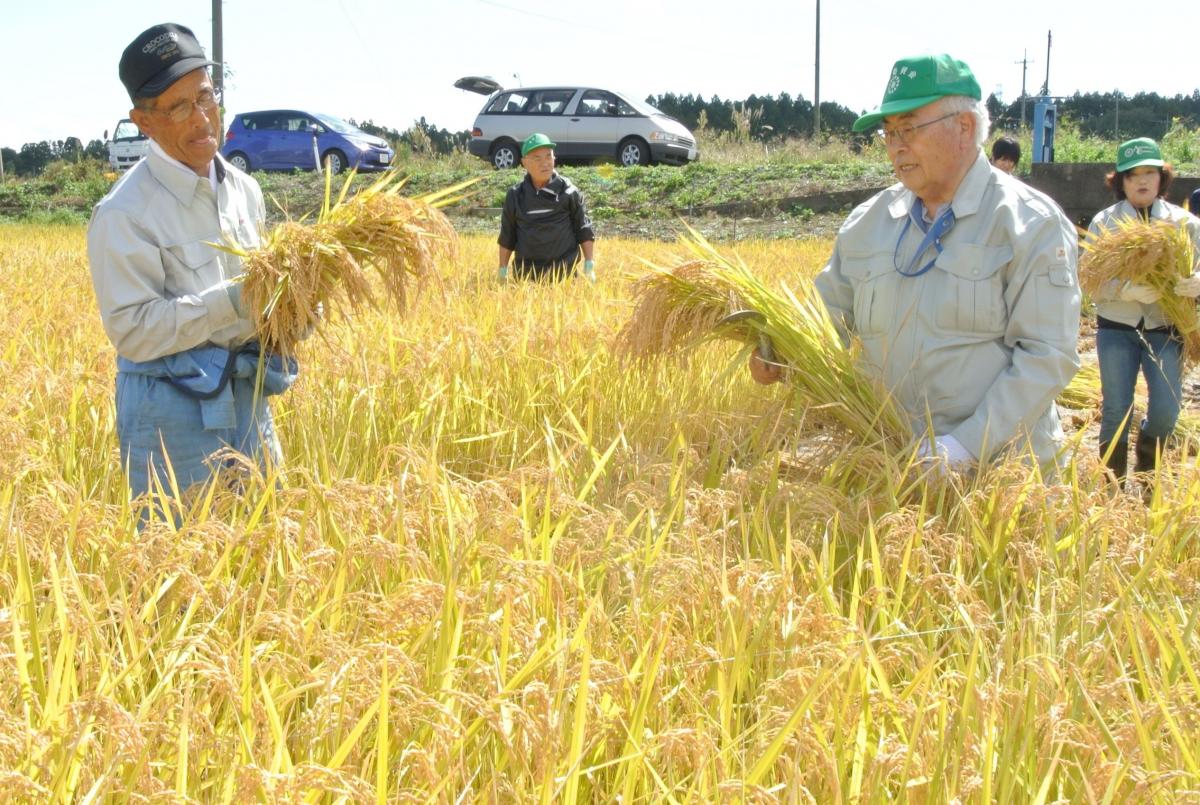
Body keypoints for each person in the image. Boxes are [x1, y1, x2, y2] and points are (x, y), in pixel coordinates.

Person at [751, 54, 1081, 474]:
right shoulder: (868, 223)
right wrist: (780, 352)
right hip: (891, 469)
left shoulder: (1027, 222)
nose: (896, 146)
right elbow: (824, 319)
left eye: (909, 129)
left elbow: (1047, 355)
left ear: (964, 128)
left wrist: (964, 447)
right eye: (888, 133)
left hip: (1001, 477)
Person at [87, 23, 296, 503]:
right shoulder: (123, 214)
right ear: (143, 122)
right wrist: (235, 301)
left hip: (248, 399)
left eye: (205, 96)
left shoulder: (246, 191)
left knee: (264, 553)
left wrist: (294, 304)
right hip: (169, 416)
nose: (201, 119)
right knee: (184, 564)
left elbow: (264, 302)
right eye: (179, 107)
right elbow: (134, 331)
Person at [1088, 137, 1200, 483]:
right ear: (1120, 181)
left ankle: (1147, 467)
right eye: (1132, 174)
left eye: (1150, 172)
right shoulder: (1104, 223)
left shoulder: (1184, 224)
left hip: (1165, 328)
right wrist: (1124, 289)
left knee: (1167, 411)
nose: (1142, 180)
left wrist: (1196, 282)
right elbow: (1087, 279)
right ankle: (1111, 486)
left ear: (1161, 178)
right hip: (1117, 327)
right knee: (1115, 409)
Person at [497, 133, 596, 282]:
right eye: (537, 158)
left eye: (548, 156)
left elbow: (584, 229)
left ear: (554, 158)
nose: (545, 163)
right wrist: (502, 270)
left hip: (565, 278)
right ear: (524, 163)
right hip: (526, 279)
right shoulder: (515, 196)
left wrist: (589, 264)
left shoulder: (569, 192)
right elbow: (507, 236)